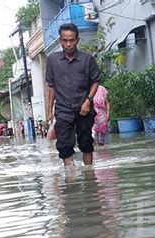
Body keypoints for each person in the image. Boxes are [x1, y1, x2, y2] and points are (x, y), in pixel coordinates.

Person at [46, 23, 102, 167]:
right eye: (65, 40)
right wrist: (49, 111)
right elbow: (51, 87)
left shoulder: (87, 59)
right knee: (64, 146)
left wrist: (88, 101)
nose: (68, 44)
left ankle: (90, 176)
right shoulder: (52, 60)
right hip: (63, 109)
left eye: (71, 40)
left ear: (77, 40)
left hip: (84, 108)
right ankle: (71, 182)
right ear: (60, 41)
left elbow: (96, 81)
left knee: (86, 143)